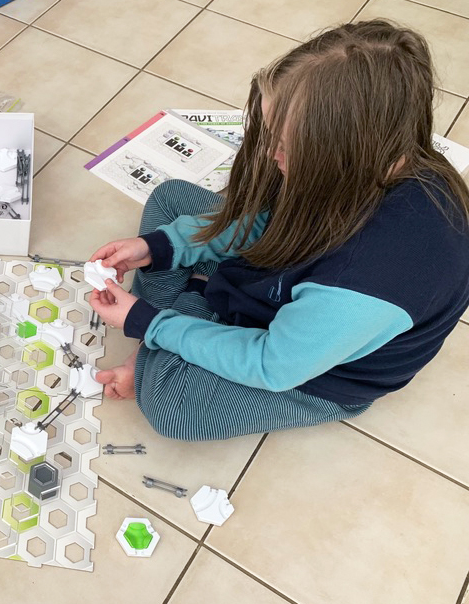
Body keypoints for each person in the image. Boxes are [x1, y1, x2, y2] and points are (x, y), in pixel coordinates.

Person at [88, 20, 469, 441]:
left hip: (314, 369)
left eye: (287, 145)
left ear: (343, 147)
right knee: (172, 201)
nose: (272, 155)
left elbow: (271, 365)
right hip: (299, 282)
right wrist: (159, 247)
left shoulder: (367, 282)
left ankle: (185, 312)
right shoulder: (380, 159)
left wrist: (150, 323)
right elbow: (275, 222)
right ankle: (185, 315)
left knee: (173, 406)